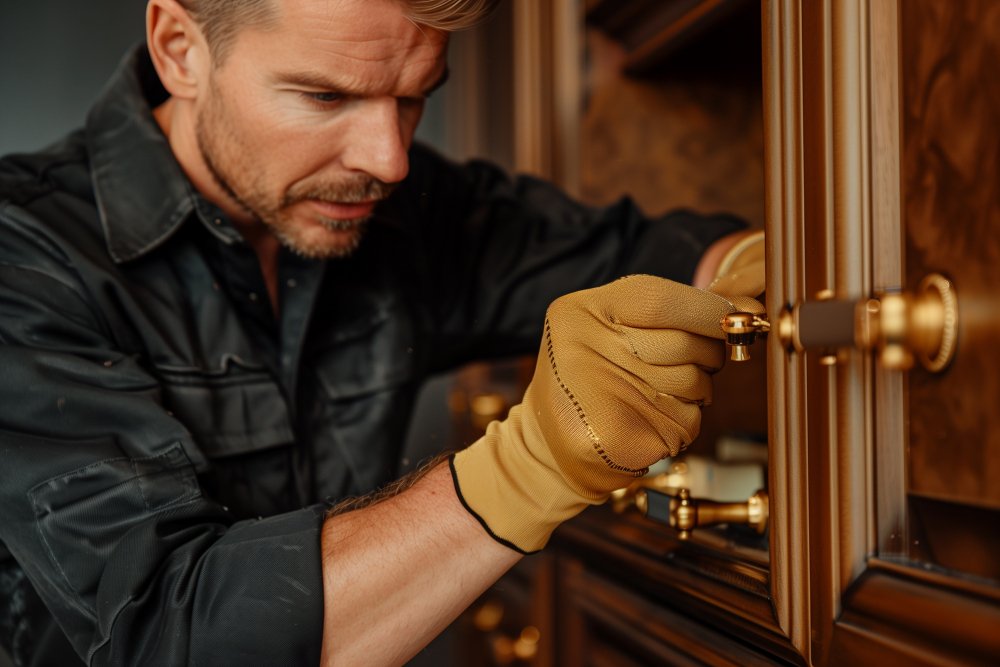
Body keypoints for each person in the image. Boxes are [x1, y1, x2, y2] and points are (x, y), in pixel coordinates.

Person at [0, 0, 764, 665]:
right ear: (179, 50)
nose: (388, 159)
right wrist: (526, 469)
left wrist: (775, 266)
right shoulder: (20, 253)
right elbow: (164, 636)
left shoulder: (406, 207)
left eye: (414, 97)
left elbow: (655, 253)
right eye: (325, 96)